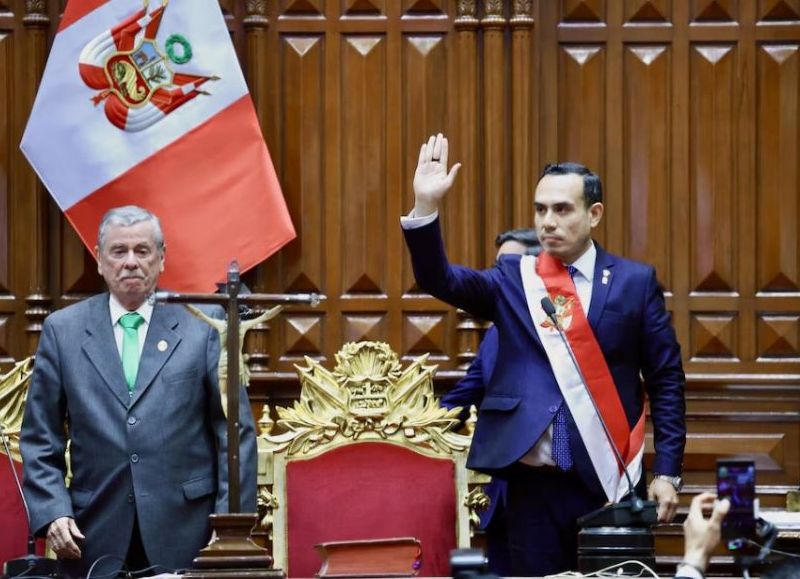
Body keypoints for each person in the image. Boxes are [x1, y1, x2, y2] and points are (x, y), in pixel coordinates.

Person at [402, 134, 687, 575]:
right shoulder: (516, 278)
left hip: (608, 479)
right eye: (540, 210)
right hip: (531, 486)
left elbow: (666, 381)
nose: (547, 222)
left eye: (562, 209)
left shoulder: (634, 282)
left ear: (594, 214)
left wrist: (668, 472)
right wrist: (425, 208)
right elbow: (439, 278)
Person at [20, 205, 258, 578]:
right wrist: (53, 510)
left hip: (188, 533)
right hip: (92, 535)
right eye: (119, 251)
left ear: (161, 259)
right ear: (99, 260)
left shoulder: (203, 327)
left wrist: (229, 531)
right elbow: (39, 437)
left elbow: (235, 434)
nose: (131, 262)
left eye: (142, 251)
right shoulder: (62, 331)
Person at [440, 228, 541, 576]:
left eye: (507, 267)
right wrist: (408, 424)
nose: (497, 278)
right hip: (502, 497)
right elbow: (466, 393)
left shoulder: (566, 328)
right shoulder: (496, 332)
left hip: (553, 494)